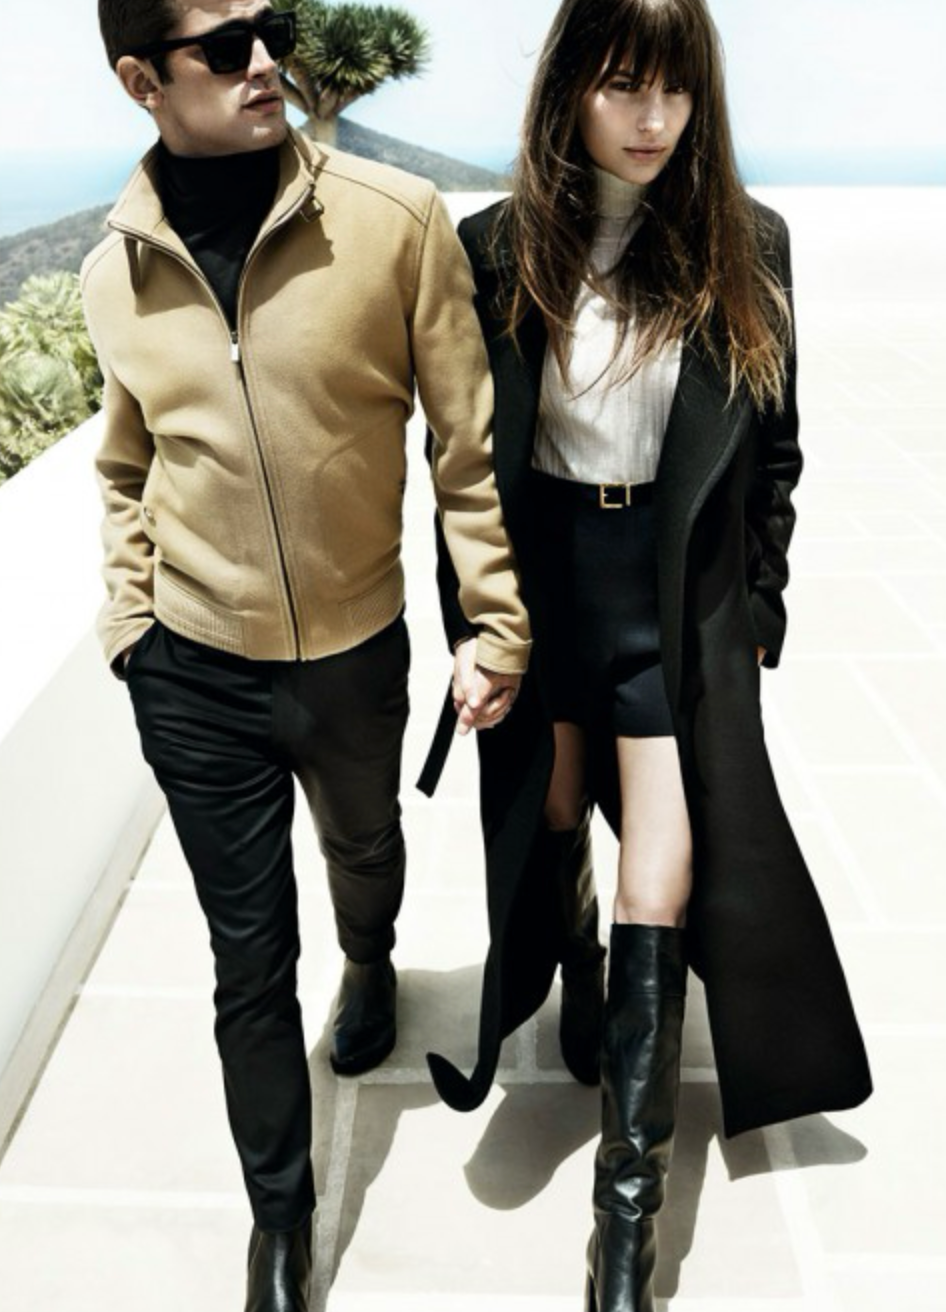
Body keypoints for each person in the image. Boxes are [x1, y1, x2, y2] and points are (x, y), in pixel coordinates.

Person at [422, 1, 873, 1308]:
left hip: (670, 603)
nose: (653, 119)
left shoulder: (747, 243)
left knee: (660, 883)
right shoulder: (496, 247)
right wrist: (479, 624)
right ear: (570, 87)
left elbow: (775, 453)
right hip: (548, 586)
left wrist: (760, 608)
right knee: (556, 808)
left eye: (675, 91)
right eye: (624, 85)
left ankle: (622, 1230)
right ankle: (574, 987)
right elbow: (461, 465)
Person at [81, 2, 529, 1308]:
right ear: (142, 80)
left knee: (363, 847)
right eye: (224, 47)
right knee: (248, 961)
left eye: (268, 27)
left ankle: (372, 958)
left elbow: (467, 447)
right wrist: (131, 629)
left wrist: (493, 619)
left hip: (350, 646)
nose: (266, 60)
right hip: (192, 667)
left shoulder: (393, 221)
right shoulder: (117, 271)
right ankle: (279, 1224)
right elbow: (124, 463)